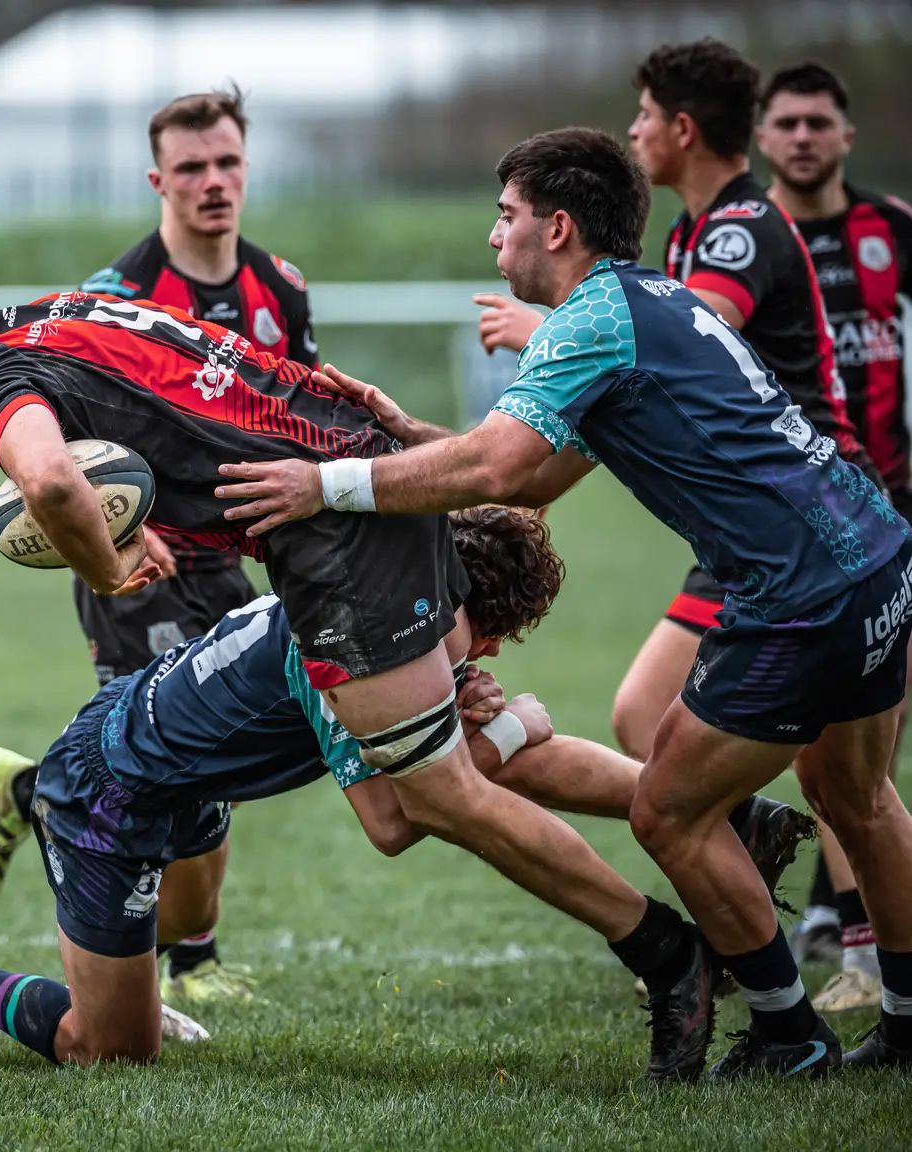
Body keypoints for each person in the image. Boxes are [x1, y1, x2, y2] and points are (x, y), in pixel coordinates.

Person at [0, 287, 722, 1081]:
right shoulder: (46, 316)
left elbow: (48, 481)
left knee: (439, 787)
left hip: (323, 535)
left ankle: (666, 940)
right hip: (343, 477)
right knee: (118, 1039)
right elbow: (153, 403)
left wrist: (106, 568)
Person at [213, 125, 912, 1075]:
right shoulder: (646, 299)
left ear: (557, 227)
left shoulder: (589, 319)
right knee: (855, 796)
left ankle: (789, 1036)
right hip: (875, 555)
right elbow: (534, 480)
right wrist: (406, 432)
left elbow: (499, 467)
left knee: (668, 812)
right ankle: (905, 1027)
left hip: (801, 596)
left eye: (505, 215)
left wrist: (323, 484)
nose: (492, 236)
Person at [0, 510, 797, 1070]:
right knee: (108, 1050)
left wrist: (493, 726)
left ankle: (709, 808)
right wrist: (510, 726)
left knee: (186, 928)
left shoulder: (395, 601)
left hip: (188, 780)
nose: (483, 656)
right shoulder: (356, 640)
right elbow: (395, 823)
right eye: (487, 640)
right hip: (109, 793)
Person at [0, 87, 320, 1005]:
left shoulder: (279, 288)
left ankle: (29, 792)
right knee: (154, 756)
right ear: (158, 182)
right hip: (137, 562)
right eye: (191, 168)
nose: (213, 182)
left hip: (235, 551)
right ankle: (183, 963)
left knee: (225, 739)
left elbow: (292, 407)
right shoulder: (116, 295)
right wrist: (128, 530)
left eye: (227, 162)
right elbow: (66, 447)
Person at [470, 39, 872, 763]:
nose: (634, 129)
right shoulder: (692, 232)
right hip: (778, 517)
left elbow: (682, 347)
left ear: (682, 129)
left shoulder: (738, 230)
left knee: (653, 732)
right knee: (841, 788)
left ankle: (732, 833)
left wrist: (549, 337)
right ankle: (767, 836)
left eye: (645, 114)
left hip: (796, 514)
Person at [757, 60, 912, 1014]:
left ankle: (857, 940)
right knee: (834, 748)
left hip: (893, 507)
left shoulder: (891, 228)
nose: (805, 136)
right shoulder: (742, 239)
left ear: (847, 135)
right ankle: (833, 919)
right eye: (788, 122)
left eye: (820, 121)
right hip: (792, 521)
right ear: (762, 137)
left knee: (866, 751)